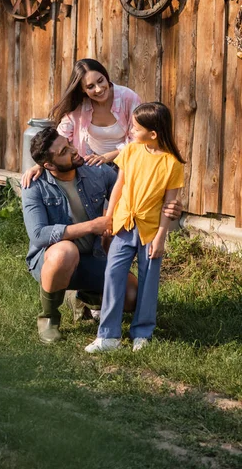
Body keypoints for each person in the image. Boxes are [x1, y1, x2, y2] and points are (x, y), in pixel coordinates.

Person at [21, 126, 182, 344]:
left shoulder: (96, 170)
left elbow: (132, 189)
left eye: (68, 144)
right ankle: (49, 318)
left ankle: (86, 297)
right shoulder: (34, 185)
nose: (73, 150)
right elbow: (39, 235)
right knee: (65, 252)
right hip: (51, 261)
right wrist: (93, 226)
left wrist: (169, 206)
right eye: (63, 152)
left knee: (132, 298)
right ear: (48, 165)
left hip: (94, 256)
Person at [85, 102, 185, 354]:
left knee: (149, 280)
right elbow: (119, 186)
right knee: (113, 274)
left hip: (151, 231)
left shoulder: (172, 164)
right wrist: (109, 218)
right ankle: (108, 336)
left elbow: (170, 205)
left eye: (136, 127)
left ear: (153, 133)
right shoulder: (130, 151)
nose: (131, 129)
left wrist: (161, 237)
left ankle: (142, 332)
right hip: (123, 225)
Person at [22, 58, 141, 188]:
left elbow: (139, 139)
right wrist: (39, 165)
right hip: (91, 165)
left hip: (127, 162)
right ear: (83, 90)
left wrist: (107, 157)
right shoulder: (79, 106)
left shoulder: (128, 98)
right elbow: (61, 136)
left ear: (106, 76)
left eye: (100, 81)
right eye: (90, 86)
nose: (99, 89)